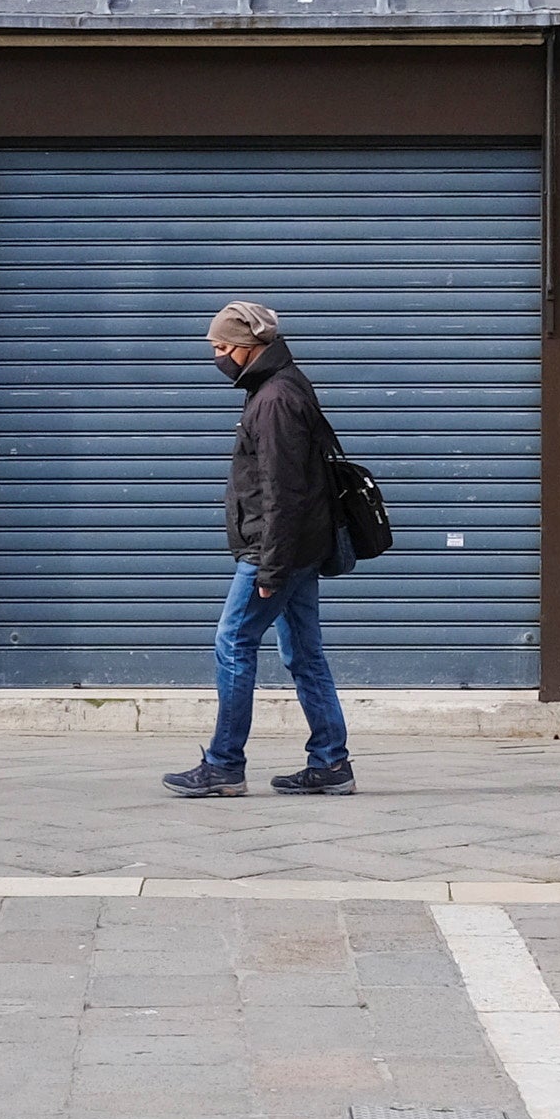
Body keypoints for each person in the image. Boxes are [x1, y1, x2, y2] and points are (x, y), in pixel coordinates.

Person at [168, 296, 353, 799]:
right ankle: (332, 763)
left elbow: (284, 492)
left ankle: (225, 764)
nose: (218, 356)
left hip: (276, 552)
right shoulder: (281, 386)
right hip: (298, 547)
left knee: (233, 644)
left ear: (250, 348)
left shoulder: (273, 400)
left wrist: (271, 570)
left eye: (225, 346)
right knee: (305, 654)